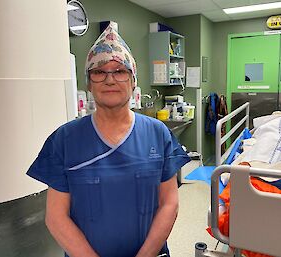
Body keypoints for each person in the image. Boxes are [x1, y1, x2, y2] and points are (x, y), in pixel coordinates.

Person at [27, 24, 190, 257]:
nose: (109, 80)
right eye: (99, 71)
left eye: (120, 71)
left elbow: (169, 203)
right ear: (89, 83)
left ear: (133, 81)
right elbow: (55, 217)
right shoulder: (64, 140)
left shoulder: (158, 134)